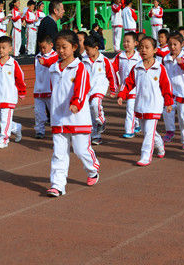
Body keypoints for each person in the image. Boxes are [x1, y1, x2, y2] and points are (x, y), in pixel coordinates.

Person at [46, 30, 101, 197]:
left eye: (64, 47)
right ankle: (58, 185)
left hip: (78, 118)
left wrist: (76, 103)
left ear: (74, 47)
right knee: (59, 153)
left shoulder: (80, 67)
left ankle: (92, 170)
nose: (61, 51)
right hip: (58, 119)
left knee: (80, 150)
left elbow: (82, 88)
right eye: (58, 47)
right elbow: (53, 91)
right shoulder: (53, 69)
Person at [117, 36, 174, 167]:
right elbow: (128, 84)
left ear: (154, 50)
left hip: (154, 105)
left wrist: (169, 102)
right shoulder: (136, 68)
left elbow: (166, 87)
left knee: (149, 132)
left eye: (147, 47)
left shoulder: (160, 68)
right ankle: (160, 146)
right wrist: (122, 95)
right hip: (141, 105)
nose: (143, 50)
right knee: (148, 131)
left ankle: (145, 156)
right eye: (141, 47)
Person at [0, 36, 26, 149]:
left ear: (10, 49)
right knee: (3, 120)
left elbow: (20, 78)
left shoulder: (13, 64)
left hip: (9, 97)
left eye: (4, 48)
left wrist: (22, 92)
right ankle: (17, 127)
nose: (1, 50)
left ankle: (4, 139)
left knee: (4, 120)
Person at [162, 33, 184, 149]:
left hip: (183, 92)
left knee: (183, 116)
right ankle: (170, 131)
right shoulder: (166, 58)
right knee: (167, 113)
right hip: (170, 93)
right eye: (170, 44)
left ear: (181, 44)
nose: (172, 47)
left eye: (175, 44)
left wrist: (183, 63)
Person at [83, 35, 117, 145]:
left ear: (96, 48)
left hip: (99, 87)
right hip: (88, 89)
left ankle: (102, 120)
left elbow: (111, 75)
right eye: (85, 49)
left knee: (95, 104)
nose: (86, 52)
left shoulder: (104, 60)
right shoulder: (83, 60)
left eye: (88, 50)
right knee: (91, 113)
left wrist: (113, 89)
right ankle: (96, 136)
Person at [112, 32, 141, 138]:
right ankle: (136, 124)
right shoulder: (120, 56)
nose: (125, 44)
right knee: (132, 108)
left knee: (131, 108)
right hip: (124, 87)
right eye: (124, 41)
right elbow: (112, 69)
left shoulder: (139, 56)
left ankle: (129, 130)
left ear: (135, 43)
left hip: (136, 88)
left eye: (128, 41)